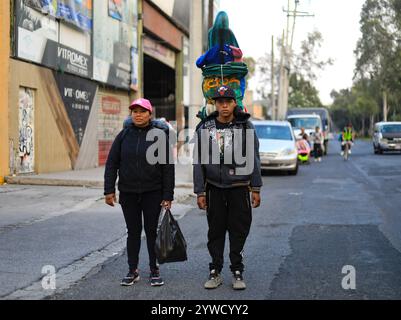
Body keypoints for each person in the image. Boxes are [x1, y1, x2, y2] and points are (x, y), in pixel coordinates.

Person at [193, 85, 263, 291]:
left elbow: (254, 158)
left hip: (239, 187)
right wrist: (200, 191)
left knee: (238, 229)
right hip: (214, 188)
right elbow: (198, 161)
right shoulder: (205, 128)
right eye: (219, 102)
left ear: (234, 104)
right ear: (215, 104)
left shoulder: (245, 127)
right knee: (215, 231)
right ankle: (215, 270)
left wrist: (256, 187)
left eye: (228, 102)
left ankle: (237, 270)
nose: (224, 106)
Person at [104, 98, 175, 287]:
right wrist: (109, 190)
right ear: (131, 114)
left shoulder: (159, 136)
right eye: (134, 111)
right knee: (133, 232)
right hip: (128, 193)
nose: (138, 114)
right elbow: (112, 164)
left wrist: (168, 195)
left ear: (150, 114)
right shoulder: (123, 136)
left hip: (153, 193)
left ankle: (154, 269)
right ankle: (132, 270)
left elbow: (168, 167)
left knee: (152, 232)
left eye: (142, 111)